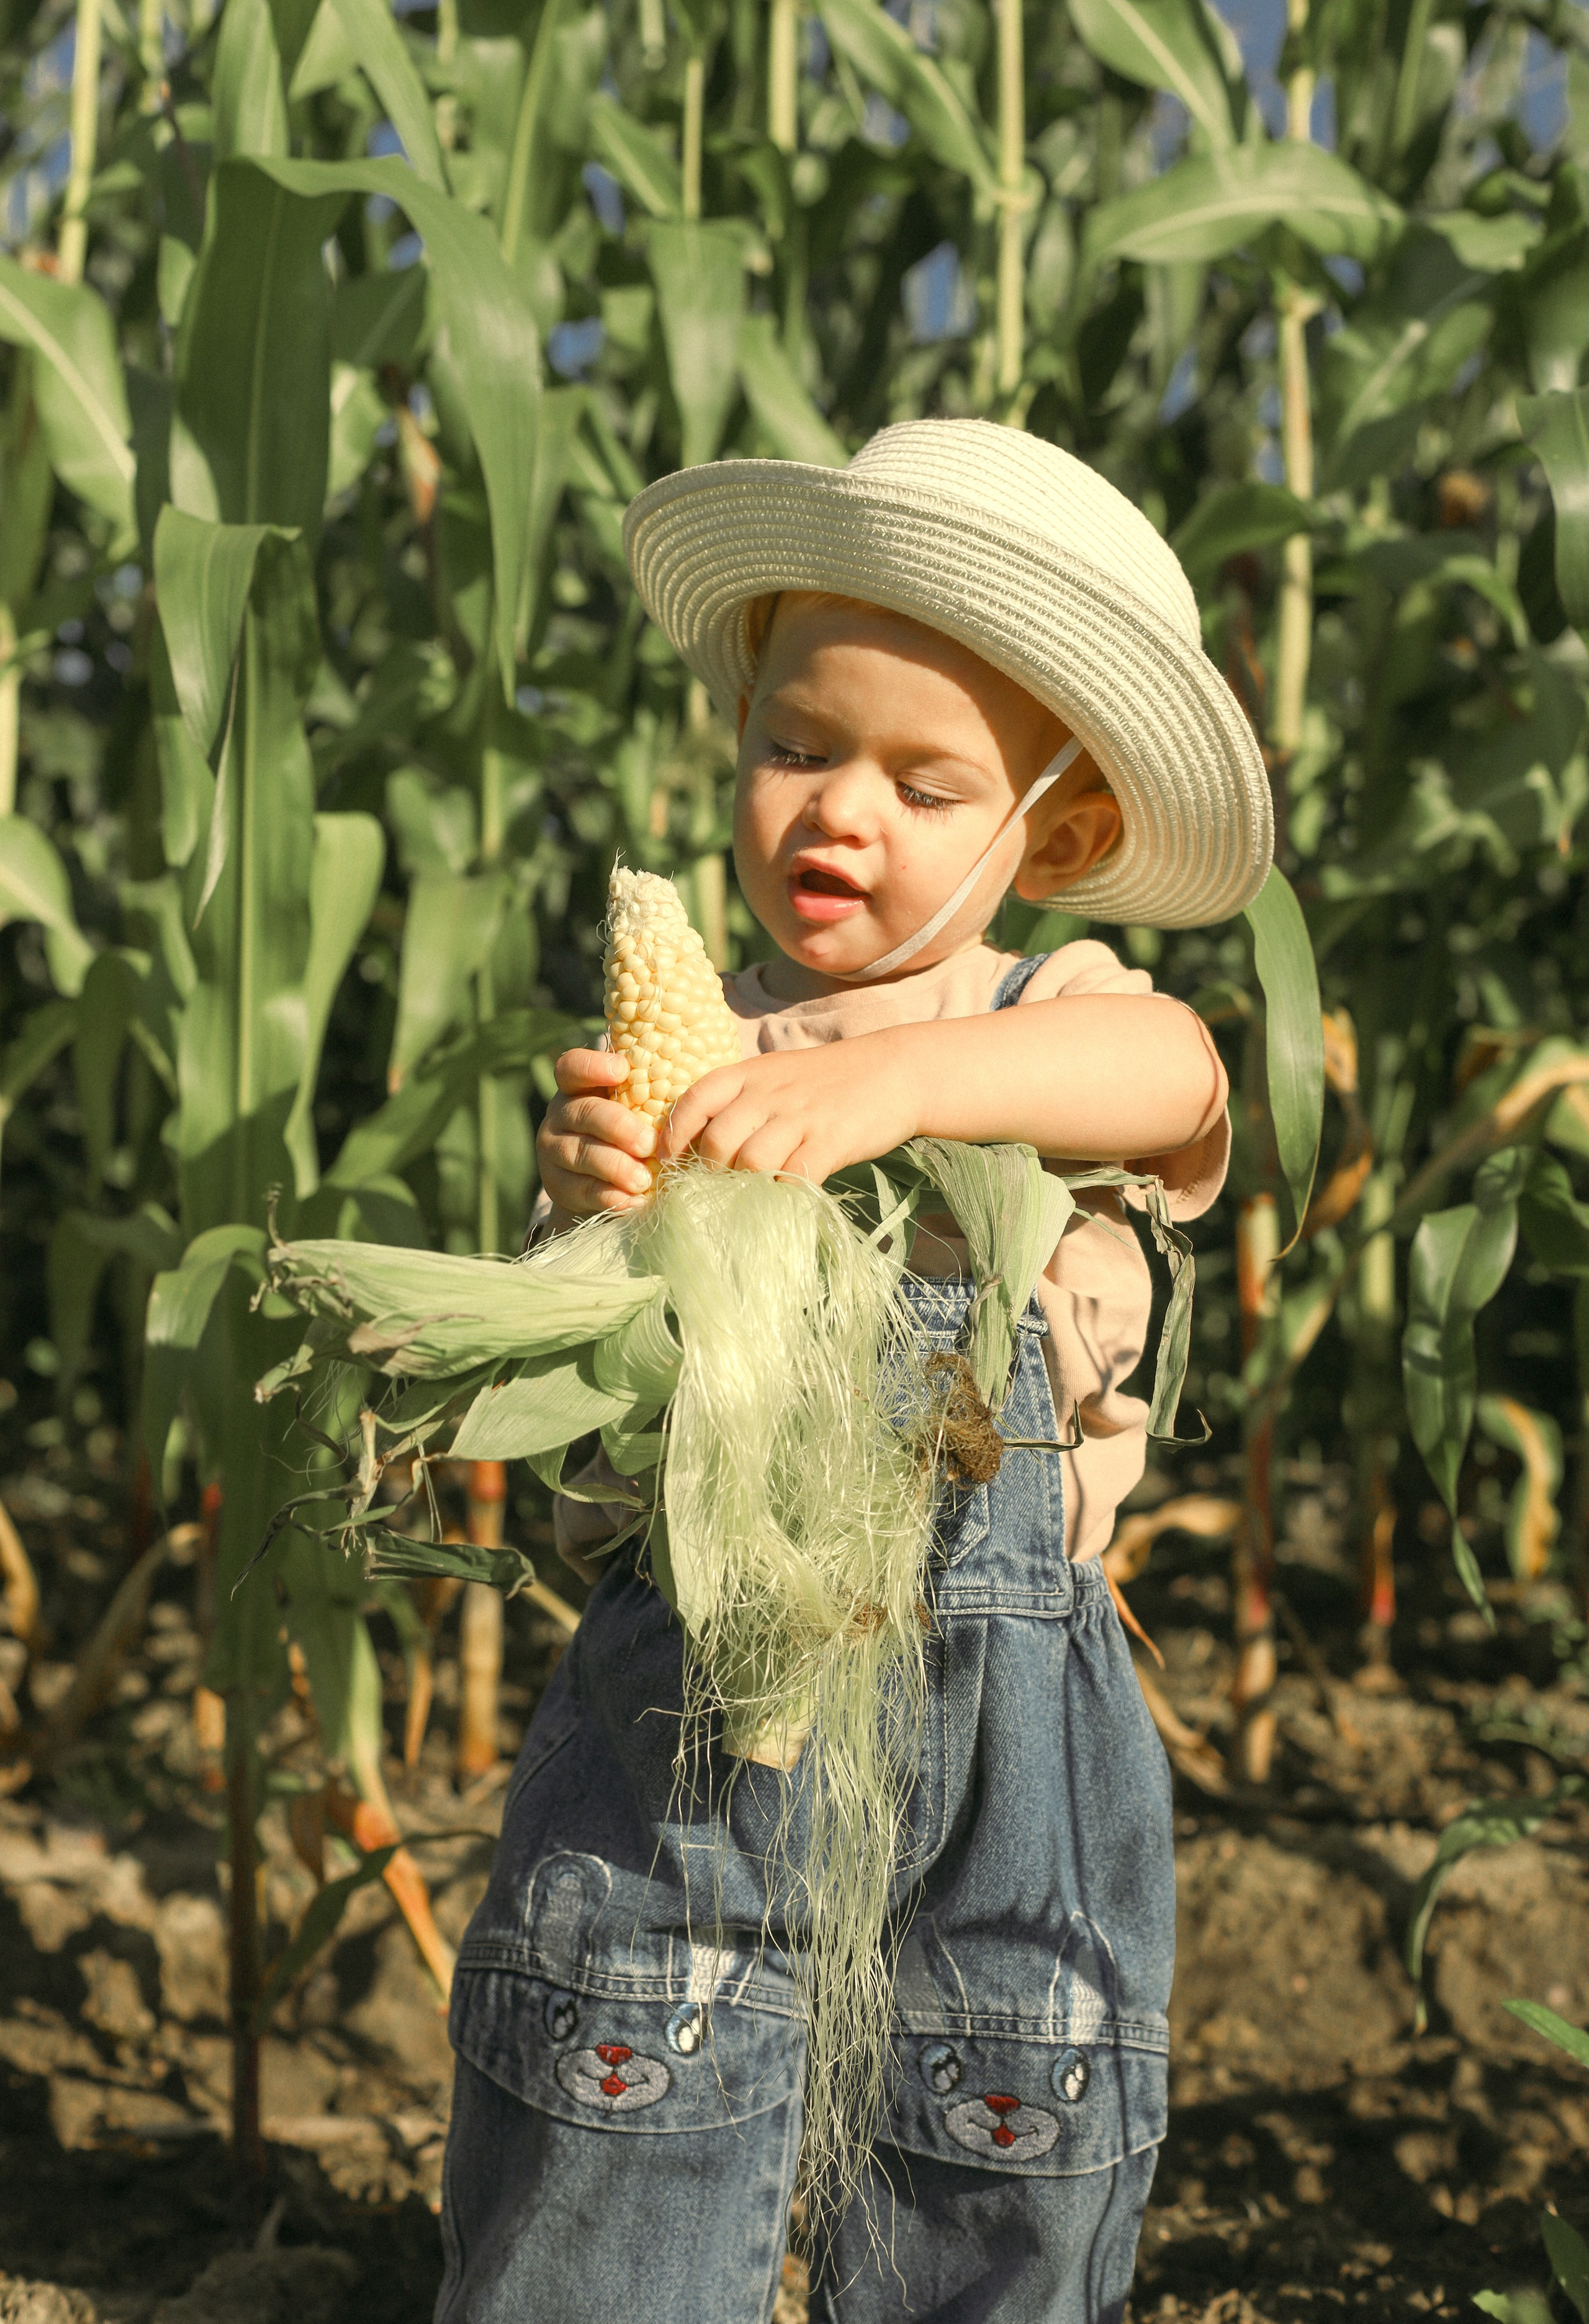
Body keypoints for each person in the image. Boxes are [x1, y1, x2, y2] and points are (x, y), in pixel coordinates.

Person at [434, 419, 1272, 2324]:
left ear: (1053, 835)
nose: (838, 813)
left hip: (1004, 1749)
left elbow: (1181, 1076)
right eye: (798, 747)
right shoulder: (709, 1035)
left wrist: (887, 1078)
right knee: (619, 2108)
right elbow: (604, 1375)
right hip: (703, 1707)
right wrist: (601, 1200)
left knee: (998, 2152)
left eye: (922, 779)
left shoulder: (1046, 1017)